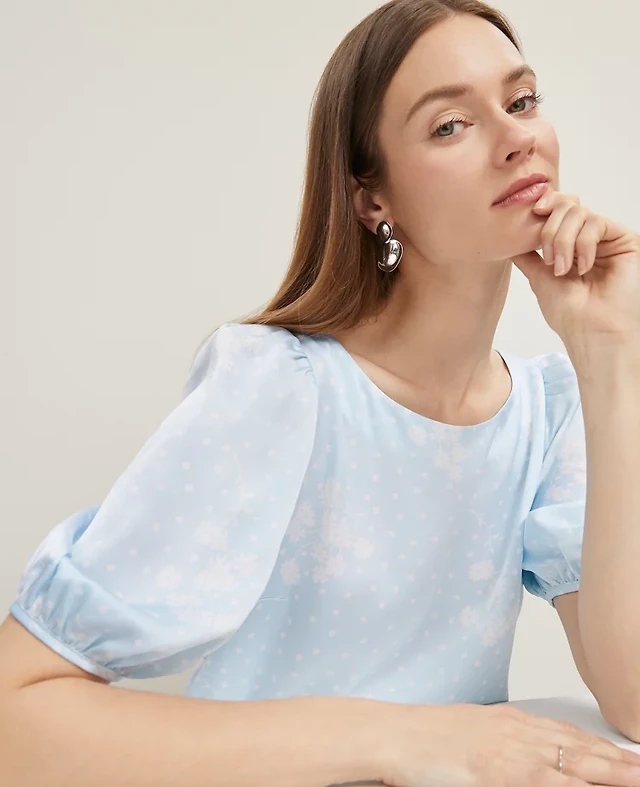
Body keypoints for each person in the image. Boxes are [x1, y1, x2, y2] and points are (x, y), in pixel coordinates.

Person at [2, 0, 640, 785]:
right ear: (373, 199)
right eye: (450, 125)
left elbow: (635, 698)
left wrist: (613, 352)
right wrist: (410, 736)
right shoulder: (280, 386)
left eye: (522, 100)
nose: (516, 139)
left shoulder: (547, 410)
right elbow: (15, 714)